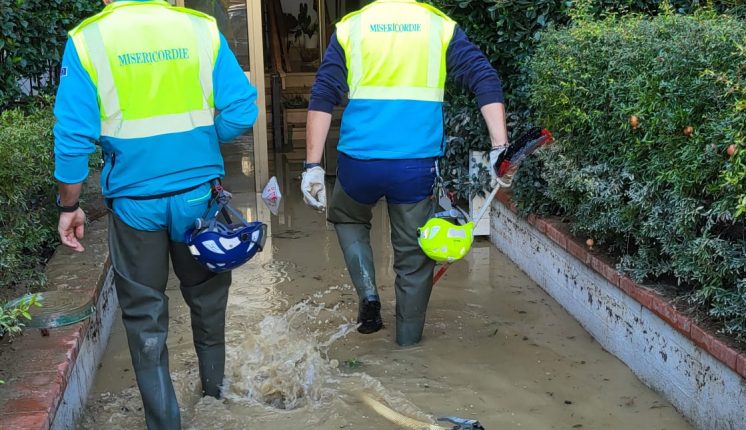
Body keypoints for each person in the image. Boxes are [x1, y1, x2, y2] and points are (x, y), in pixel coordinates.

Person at [53, 0, 258, 428]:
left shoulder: (88, 39)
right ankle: (216, 400)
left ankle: (165, 423)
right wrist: (201, 145)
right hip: (196, 200)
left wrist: (69, 206)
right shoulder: (200, 29)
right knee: (207, 300)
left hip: (135, 204)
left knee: (145, 316)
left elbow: (72, 137)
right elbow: (242, 109)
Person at [301, 0, 509, 347]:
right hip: (415, 164)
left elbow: (323, 95)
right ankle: (408, 347)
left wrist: (312, 166)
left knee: (349, 218)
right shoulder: (437, 26)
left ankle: (368, 295)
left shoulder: (352, 27)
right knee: (413, 257)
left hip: (359, 161)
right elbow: (482, 76)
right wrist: (499, 145)